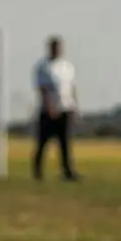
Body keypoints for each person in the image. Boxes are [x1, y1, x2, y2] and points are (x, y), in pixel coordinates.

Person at [32, 35, 80, 182]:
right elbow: (42, 88)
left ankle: (67, 171)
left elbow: (71, 87)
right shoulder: (43, 66)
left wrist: (74, 106)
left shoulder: (67, 67)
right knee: (43, 142)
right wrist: (49, 106)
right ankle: (38, 172)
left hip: (65, 108)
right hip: (49, 111)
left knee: (65, 142)